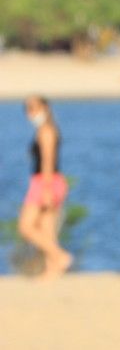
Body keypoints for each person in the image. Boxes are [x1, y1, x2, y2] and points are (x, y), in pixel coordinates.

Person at [17, 96, 73, 277]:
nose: (31, 113)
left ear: (45, 108)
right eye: (28, 108)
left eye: (34, 108)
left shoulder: (46, 130)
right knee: (46, 228)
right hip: (47, 180)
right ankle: (53, 269)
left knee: (26, 226)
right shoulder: (43, 130)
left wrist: (47, 189)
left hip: (45, 181)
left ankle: (60, 256)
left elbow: (48, 161)